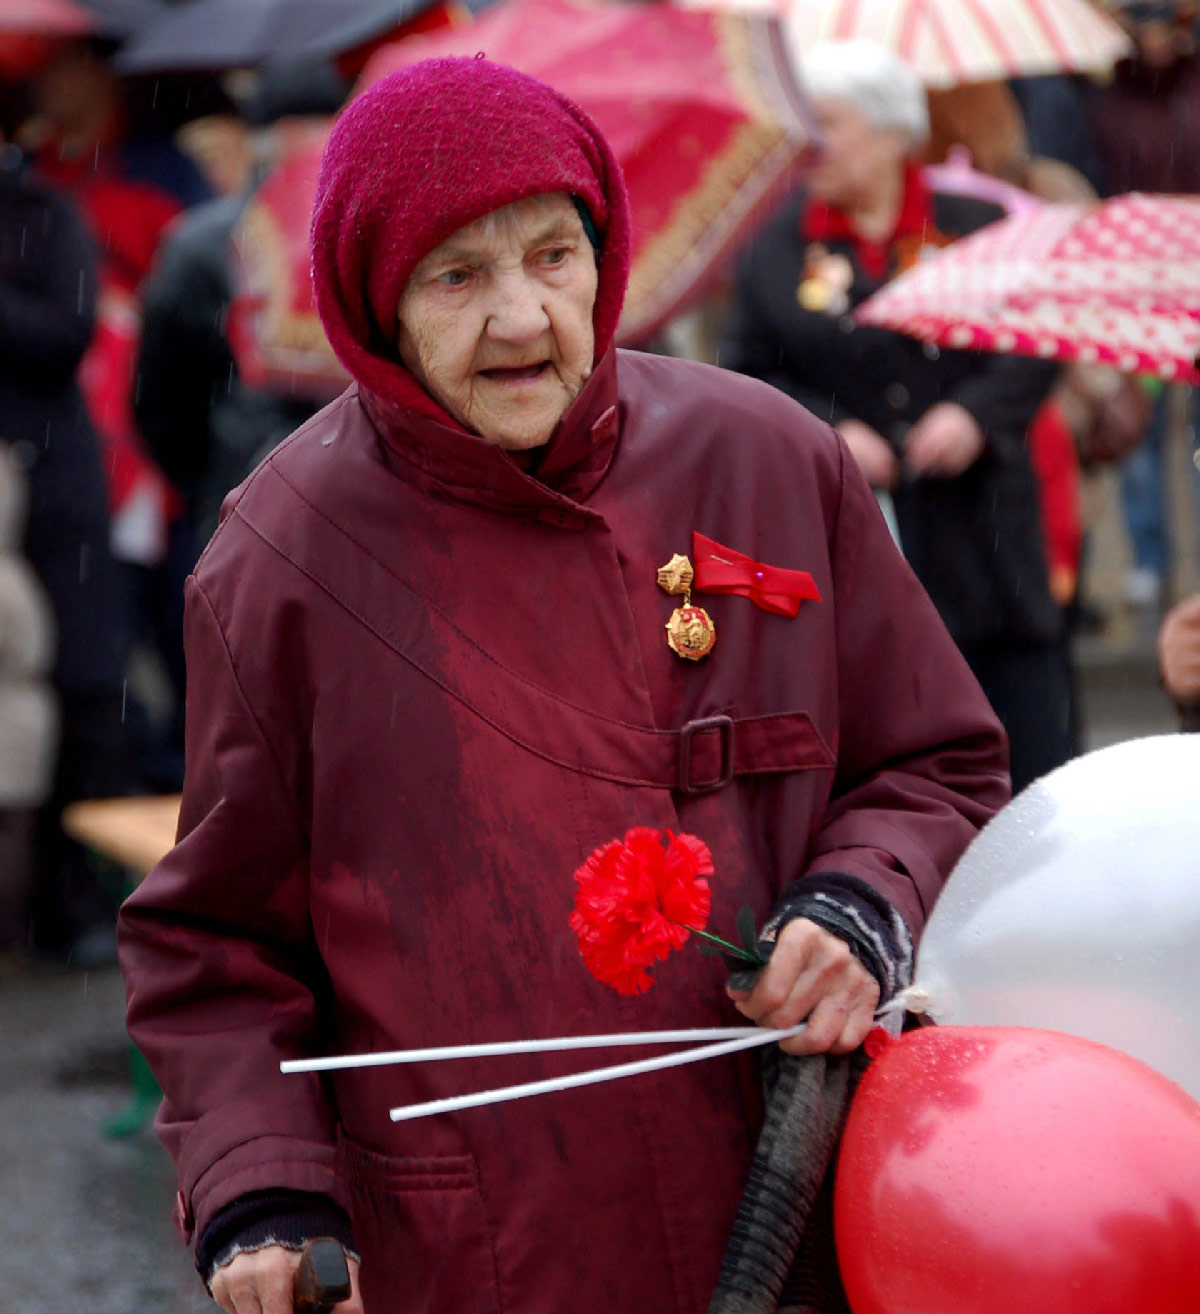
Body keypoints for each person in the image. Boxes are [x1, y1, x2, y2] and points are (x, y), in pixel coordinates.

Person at [119, 58, 1010, 1314]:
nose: (526, 320)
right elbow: (211, 942)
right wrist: (262, 1188)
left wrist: (864, 900)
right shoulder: (281, 561)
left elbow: (939, 760)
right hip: (487, 1248)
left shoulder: (768, 458)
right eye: (457, 275)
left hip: (802, 1207)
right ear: (376, 300)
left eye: (552, 255)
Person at [721, 40, 1071, 796]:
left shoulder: (976, 224)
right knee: (898, 752)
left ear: (891, 131)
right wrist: (827, 430)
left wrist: (975, 415)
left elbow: (1036, 342)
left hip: (986, 536)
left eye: (833, 122)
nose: (813, 140)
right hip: (856, 535)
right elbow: (744, 369)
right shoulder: (775, 247)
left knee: (1030, 759)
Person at [0, 87, 130, 964]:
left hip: (53, 486)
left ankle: (75, 902)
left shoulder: (45, 216)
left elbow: (63, 333)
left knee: (87, 687)